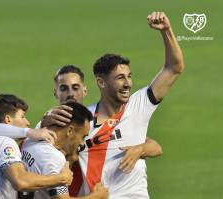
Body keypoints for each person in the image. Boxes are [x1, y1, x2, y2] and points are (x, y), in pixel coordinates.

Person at [77, 12, 184, 198]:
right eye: (120, 78)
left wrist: (166, 30)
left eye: (129, 76)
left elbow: (174, 68)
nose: (128, 83)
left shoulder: (138, 105)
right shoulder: (83, 120)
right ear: (101, 82)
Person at [42, 64, 163, 196]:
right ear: (56, 92)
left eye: (75, 88)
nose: (70, 94)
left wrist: (140, 149)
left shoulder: (91, 121)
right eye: (64, 88)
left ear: (84, 90)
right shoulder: (47, 128)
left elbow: (154, 146)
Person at [20, 102, 108, 199]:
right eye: (83, 137)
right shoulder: (55, 158)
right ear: (70, 131)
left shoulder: (30, 138)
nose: (82, 143)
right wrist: (96, 196)